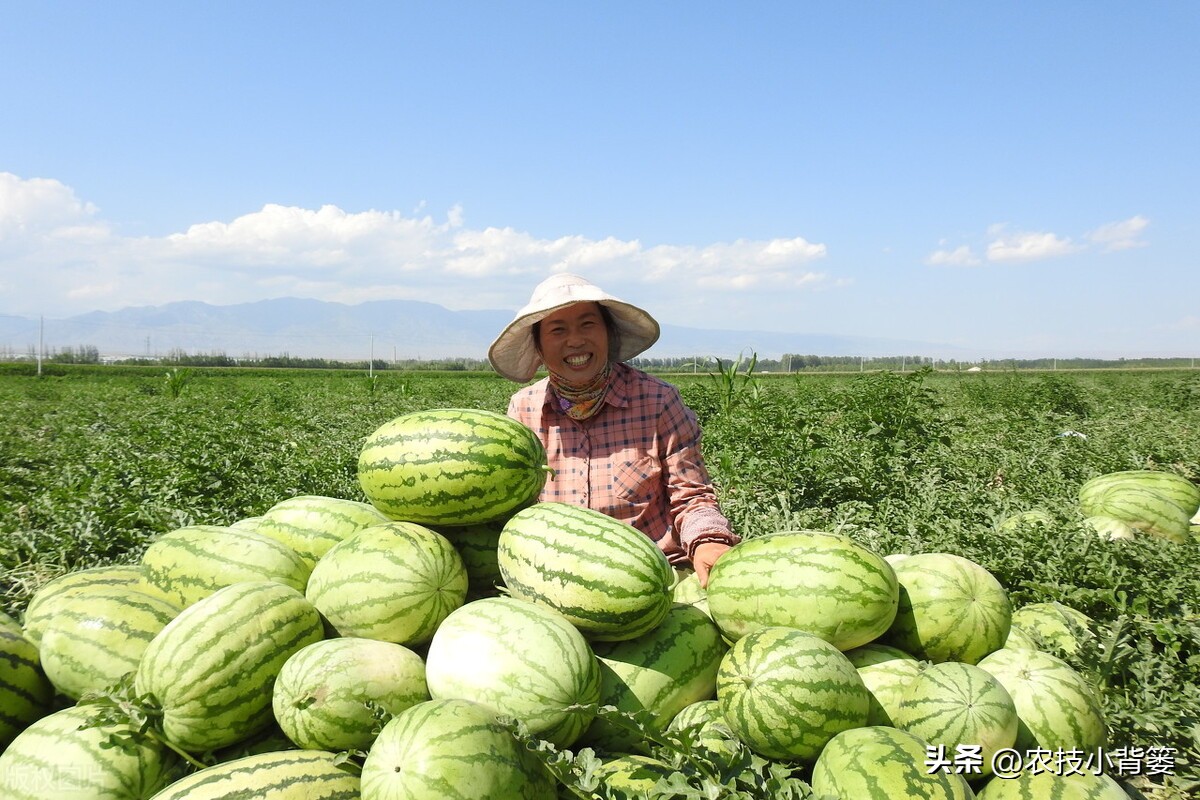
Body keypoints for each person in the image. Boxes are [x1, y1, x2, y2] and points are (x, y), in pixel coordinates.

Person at [488, 272, 739, 587]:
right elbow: (510, 503)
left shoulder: (657, 401)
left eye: (588, 324)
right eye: (558, 329)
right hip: (555, 581)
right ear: (539, 346)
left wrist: (707, 540)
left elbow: (690, 494)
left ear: (609, 333)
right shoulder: (524, 410)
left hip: (655, 579)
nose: (576, 340)